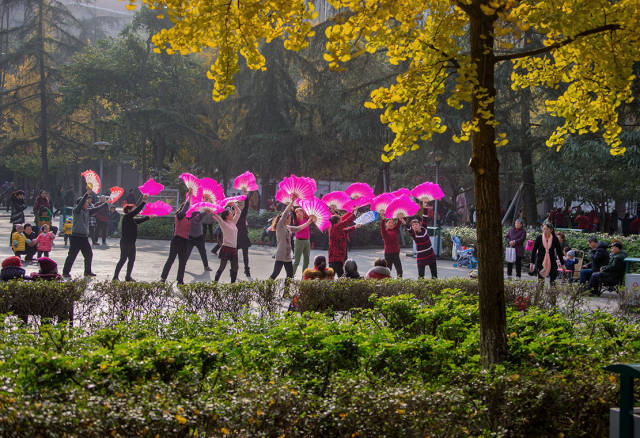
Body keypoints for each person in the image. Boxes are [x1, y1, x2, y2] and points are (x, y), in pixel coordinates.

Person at [62, 188, 107, 278]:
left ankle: (87, 271)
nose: (88, 204)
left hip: (84, 237)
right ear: (82, 203)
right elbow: (80, 205)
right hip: (75, 237)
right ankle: (65, 272)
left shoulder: (87, 211)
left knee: (89, 254)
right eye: (86, 202)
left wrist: (106, 203)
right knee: (72, 255)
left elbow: (96, 209)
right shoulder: (76, 211)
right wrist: (87, 193)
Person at [270, 199, 314, 279]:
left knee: (290, 275)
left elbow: (298, 228)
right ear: (285, 219)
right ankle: (268, 289)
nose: (290, 219)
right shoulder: (280, 226)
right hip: (280, 254)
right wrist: (292, 202)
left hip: (287, 256)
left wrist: (308, 223)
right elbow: (285, 213)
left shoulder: (288, 227)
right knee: (275, 274)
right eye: (289, 218)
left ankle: (286, 291)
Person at [113, 197, 149, 282]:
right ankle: (115, 277)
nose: (135, 211)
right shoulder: (126, 217)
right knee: (123, 259)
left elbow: (139, 220)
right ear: (129, 211)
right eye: (133, 209)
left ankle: (128, 277)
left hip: (131, 243)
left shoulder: (131, 219)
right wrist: (143, 202)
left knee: (131, 260)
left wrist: (149, 217)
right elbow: (136, 211)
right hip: (125, 243)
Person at [401, 200, 437, 279]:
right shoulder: (414, 234)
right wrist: (404, 222)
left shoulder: (424, 228)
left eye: (416, 224)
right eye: (413, 225)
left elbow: (425, 217)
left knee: (434, 276)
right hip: (421, 257)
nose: (415, 226)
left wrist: (424, 207)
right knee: (421, 277)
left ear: (419, 224)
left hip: (430, 254)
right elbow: (408, 227)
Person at [160, 196, 192, 284]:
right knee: (171, 259)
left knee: (182, 262)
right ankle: (163, 278)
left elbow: (198, 214)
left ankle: (180, 280)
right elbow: (184, 209)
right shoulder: (179, 216)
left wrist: (205, 204)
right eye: (187, 209)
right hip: (177, 240)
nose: (188, 210)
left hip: (185, 241)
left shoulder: (189, 218)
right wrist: (188, 199)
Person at [211, 203, 244, 283]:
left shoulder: (233, 222)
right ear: (226, 216)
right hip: (226, 248)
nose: (232, 214)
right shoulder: (223, 223)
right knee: (222, 268)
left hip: (234, 249)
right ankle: (215, 284)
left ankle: (232, 285)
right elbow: (216, 216)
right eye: (230, 213)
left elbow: (238, 212)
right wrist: (211, 209)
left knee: (235, 268)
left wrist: (233, 204)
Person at [328, 209, 357, 277]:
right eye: (340, 220)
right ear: (337, 221)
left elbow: (346, 230)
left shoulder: (336, 227)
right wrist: (354, 212)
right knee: (340, 275)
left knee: (335, 275)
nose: (341, 221)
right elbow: (346, 222)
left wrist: (355, 226)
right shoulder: (336, 227)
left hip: (337, 256)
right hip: (336, 257)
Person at [236, 190, 252, 280]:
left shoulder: (242, 215)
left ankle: (247, 270)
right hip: (235, 238)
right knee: (234, 256)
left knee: (245, 255)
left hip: (244, 237)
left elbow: (246, 207)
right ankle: (234, 270)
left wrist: (245, 196)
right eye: (237, 205)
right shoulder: (232, 215)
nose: (239, 206)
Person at [292, 207, 312, 278]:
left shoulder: (306, 219)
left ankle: (304, 277)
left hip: (307, 241)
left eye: (300, 212)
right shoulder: (296, 221)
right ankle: (291, 276)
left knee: (307, 260)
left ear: (303, 213)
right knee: (297, 261)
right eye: (297, 212)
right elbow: (301, 227)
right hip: (299, 241)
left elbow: (310, 216)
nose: (299, 213)